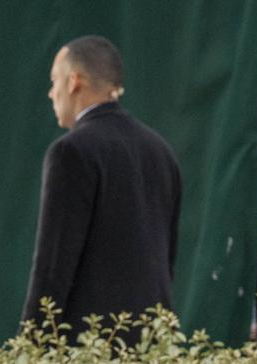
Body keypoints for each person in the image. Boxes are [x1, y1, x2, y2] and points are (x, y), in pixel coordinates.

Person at [21, 36, 182, 343]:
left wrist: (30, 346)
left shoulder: (71, 152)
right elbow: (166, 260)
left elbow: (53, 266)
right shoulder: (161, 151)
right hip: (155, 350)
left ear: (73, 81)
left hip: (90, 355)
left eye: (54, 80)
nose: (50, 92)